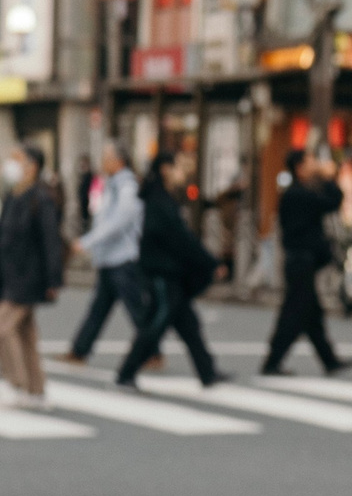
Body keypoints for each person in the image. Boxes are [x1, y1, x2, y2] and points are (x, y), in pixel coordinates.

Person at [116, 151, 229, 388]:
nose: (183, 172)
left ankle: (207, 372)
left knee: (188, 324)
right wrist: (210, 262)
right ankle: (127, 371)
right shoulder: (159, 201)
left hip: (168, 273)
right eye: (178, 166)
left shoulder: (161, 198)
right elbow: (180, 239)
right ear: (165, 169)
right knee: (156, 323)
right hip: (162, 274)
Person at [263, 148, 352, 376]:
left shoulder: (297, 192)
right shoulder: (297, 194)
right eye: (311, 161)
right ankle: (272, 362)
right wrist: (328, 176)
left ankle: (329, 360)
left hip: (302, 262)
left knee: (312, 315)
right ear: (300, 167)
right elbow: (333, 201)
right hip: (300, 262)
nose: (315, 165)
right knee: (294, 314)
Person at [64, 142, 146, 367]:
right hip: (110, 258)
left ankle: (151, 349)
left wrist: (87, 242)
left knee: (136, 309)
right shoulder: (112, 184)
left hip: (123, 258)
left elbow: (118, 221)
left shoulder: (127, 186)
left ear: (119, 160)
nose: (103, 161)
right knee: (99, 308)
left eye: (107, 157)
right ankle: (79, 350)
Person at [0, 145, 63, 409]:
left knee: (4, 329)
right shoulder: (14, 195)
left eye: (18, 159)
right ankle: (36, 390)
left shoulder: (41, 197)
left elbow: (51, 240)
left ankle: (19, 383)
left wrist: (53, 279)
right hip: (11, 274)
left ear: (32, 166)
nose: (11, 164)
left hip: (29, 275)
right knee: (25, 333)